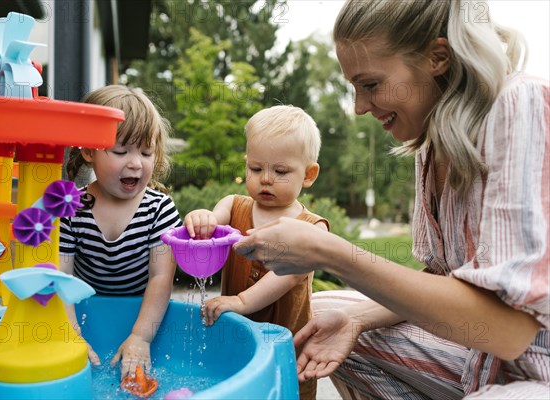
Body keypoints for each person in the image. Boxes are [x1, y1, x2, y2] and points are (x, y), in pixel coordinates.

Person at [233, 1, 549, 398]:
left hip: (533, 369)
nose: (360, 107)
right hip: (475, 358)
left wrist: (329, 252)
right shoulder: (432, 143)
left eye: (370, 85)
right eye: (354, 88)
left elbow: (508, 329)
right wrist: (357, 319)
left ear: (438, 57)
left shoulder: (520, 103)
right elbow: (440, 278)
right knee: (326, 317)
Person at [184, 105, 330, 400]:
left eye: (280, 171)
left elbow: (285, 275)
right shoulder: (233, 205)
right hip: (236, 338)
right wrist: (201, 218)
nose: (266, 178)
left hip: (285, 349)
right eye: (255, 168)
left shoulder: (313, 229)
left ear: (308, 174)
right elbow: (212, 223)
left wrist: (241, 301)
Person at [59, 85, 181, 379]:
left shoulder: (159, 209)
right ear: (89, 150)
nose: (135, 163)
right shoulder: (72, 208)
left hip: (143, 317)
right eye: (120, 151)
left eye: (146, 152)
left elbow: (161, 278)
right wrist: (70, 336)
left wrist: (141, 337)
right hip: (89, 317)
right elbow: (60, 278)